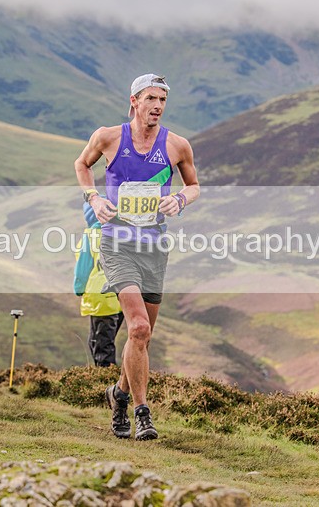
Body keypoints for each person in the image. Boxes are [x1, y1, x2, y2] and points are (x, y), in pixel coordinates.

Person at [74, 74, 200, 440]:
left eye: (162, 100)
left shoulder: (177, 146)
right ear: (134, 101)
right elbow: (82, 165)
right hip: (117, 244)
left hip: (154, 247)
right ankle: (142, 412)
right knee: (138, 327)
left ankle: (119, 394)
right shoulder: (109, 137)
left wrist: (178, 200)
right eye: (151, 99)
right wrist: (94, 198)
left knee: (142, 339)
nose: (157, 106)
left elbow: (193, 187)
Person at [74, 200, 124, 367]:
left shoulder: (90, 236)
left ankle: (105, 381)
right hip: (121, 296)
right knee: (106, 339)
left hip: (99, 298)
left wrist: (79, 289)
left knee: (100, 343)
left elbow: (83, 267)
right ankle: (110, 379)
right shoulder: (120, 233)